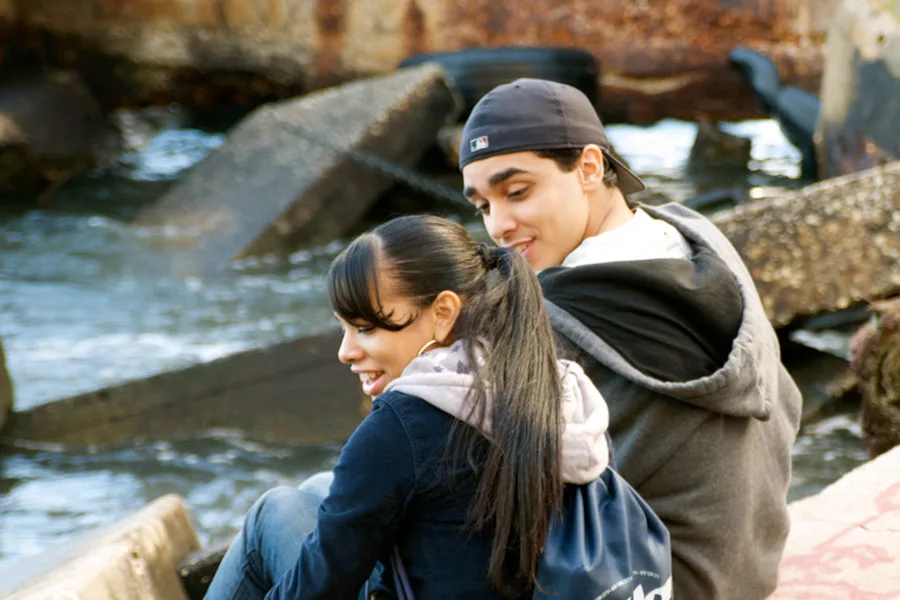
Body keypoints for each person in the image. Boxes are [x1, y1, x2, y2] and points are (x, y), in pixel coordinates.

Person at [458, 78, 803, 600]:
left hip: (637, 583)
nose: (499, 227)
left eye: (518, 192)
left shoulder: (548, 316)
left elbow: (499, 495)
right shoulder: (699, 244)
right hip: (745, 571)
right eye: (483, 206)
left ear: (589, 167)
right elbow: (789, 402)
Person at [203, 214, 624, 599]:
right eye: (344, 328)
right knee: (318, 488)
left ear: (443, 312)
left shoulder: (404, 424)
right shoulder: (555, 385)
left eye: (366, 328)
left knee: (273, 513)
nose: (346, 352)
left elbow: (317, 589)